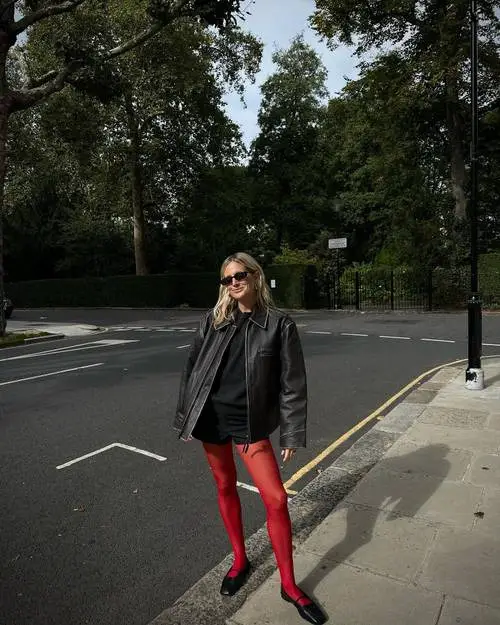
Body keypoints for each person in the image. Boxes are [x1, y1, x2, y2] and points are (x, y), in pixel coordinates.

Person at [174, 252, 326, 625]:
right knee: (225, 486)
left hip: (249, 423)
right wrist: (187, 417)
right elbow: (192, 369)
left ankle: (289, 586)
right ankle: (240, 559)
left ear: (256, 276)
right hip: (212, 418)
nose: (233, 283)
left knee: (275, 499)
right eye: (227, 279)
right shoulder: (213, 321)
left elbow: (292, 385)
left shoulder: (279, 325)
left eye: (239, 275)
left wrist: (291, 432)